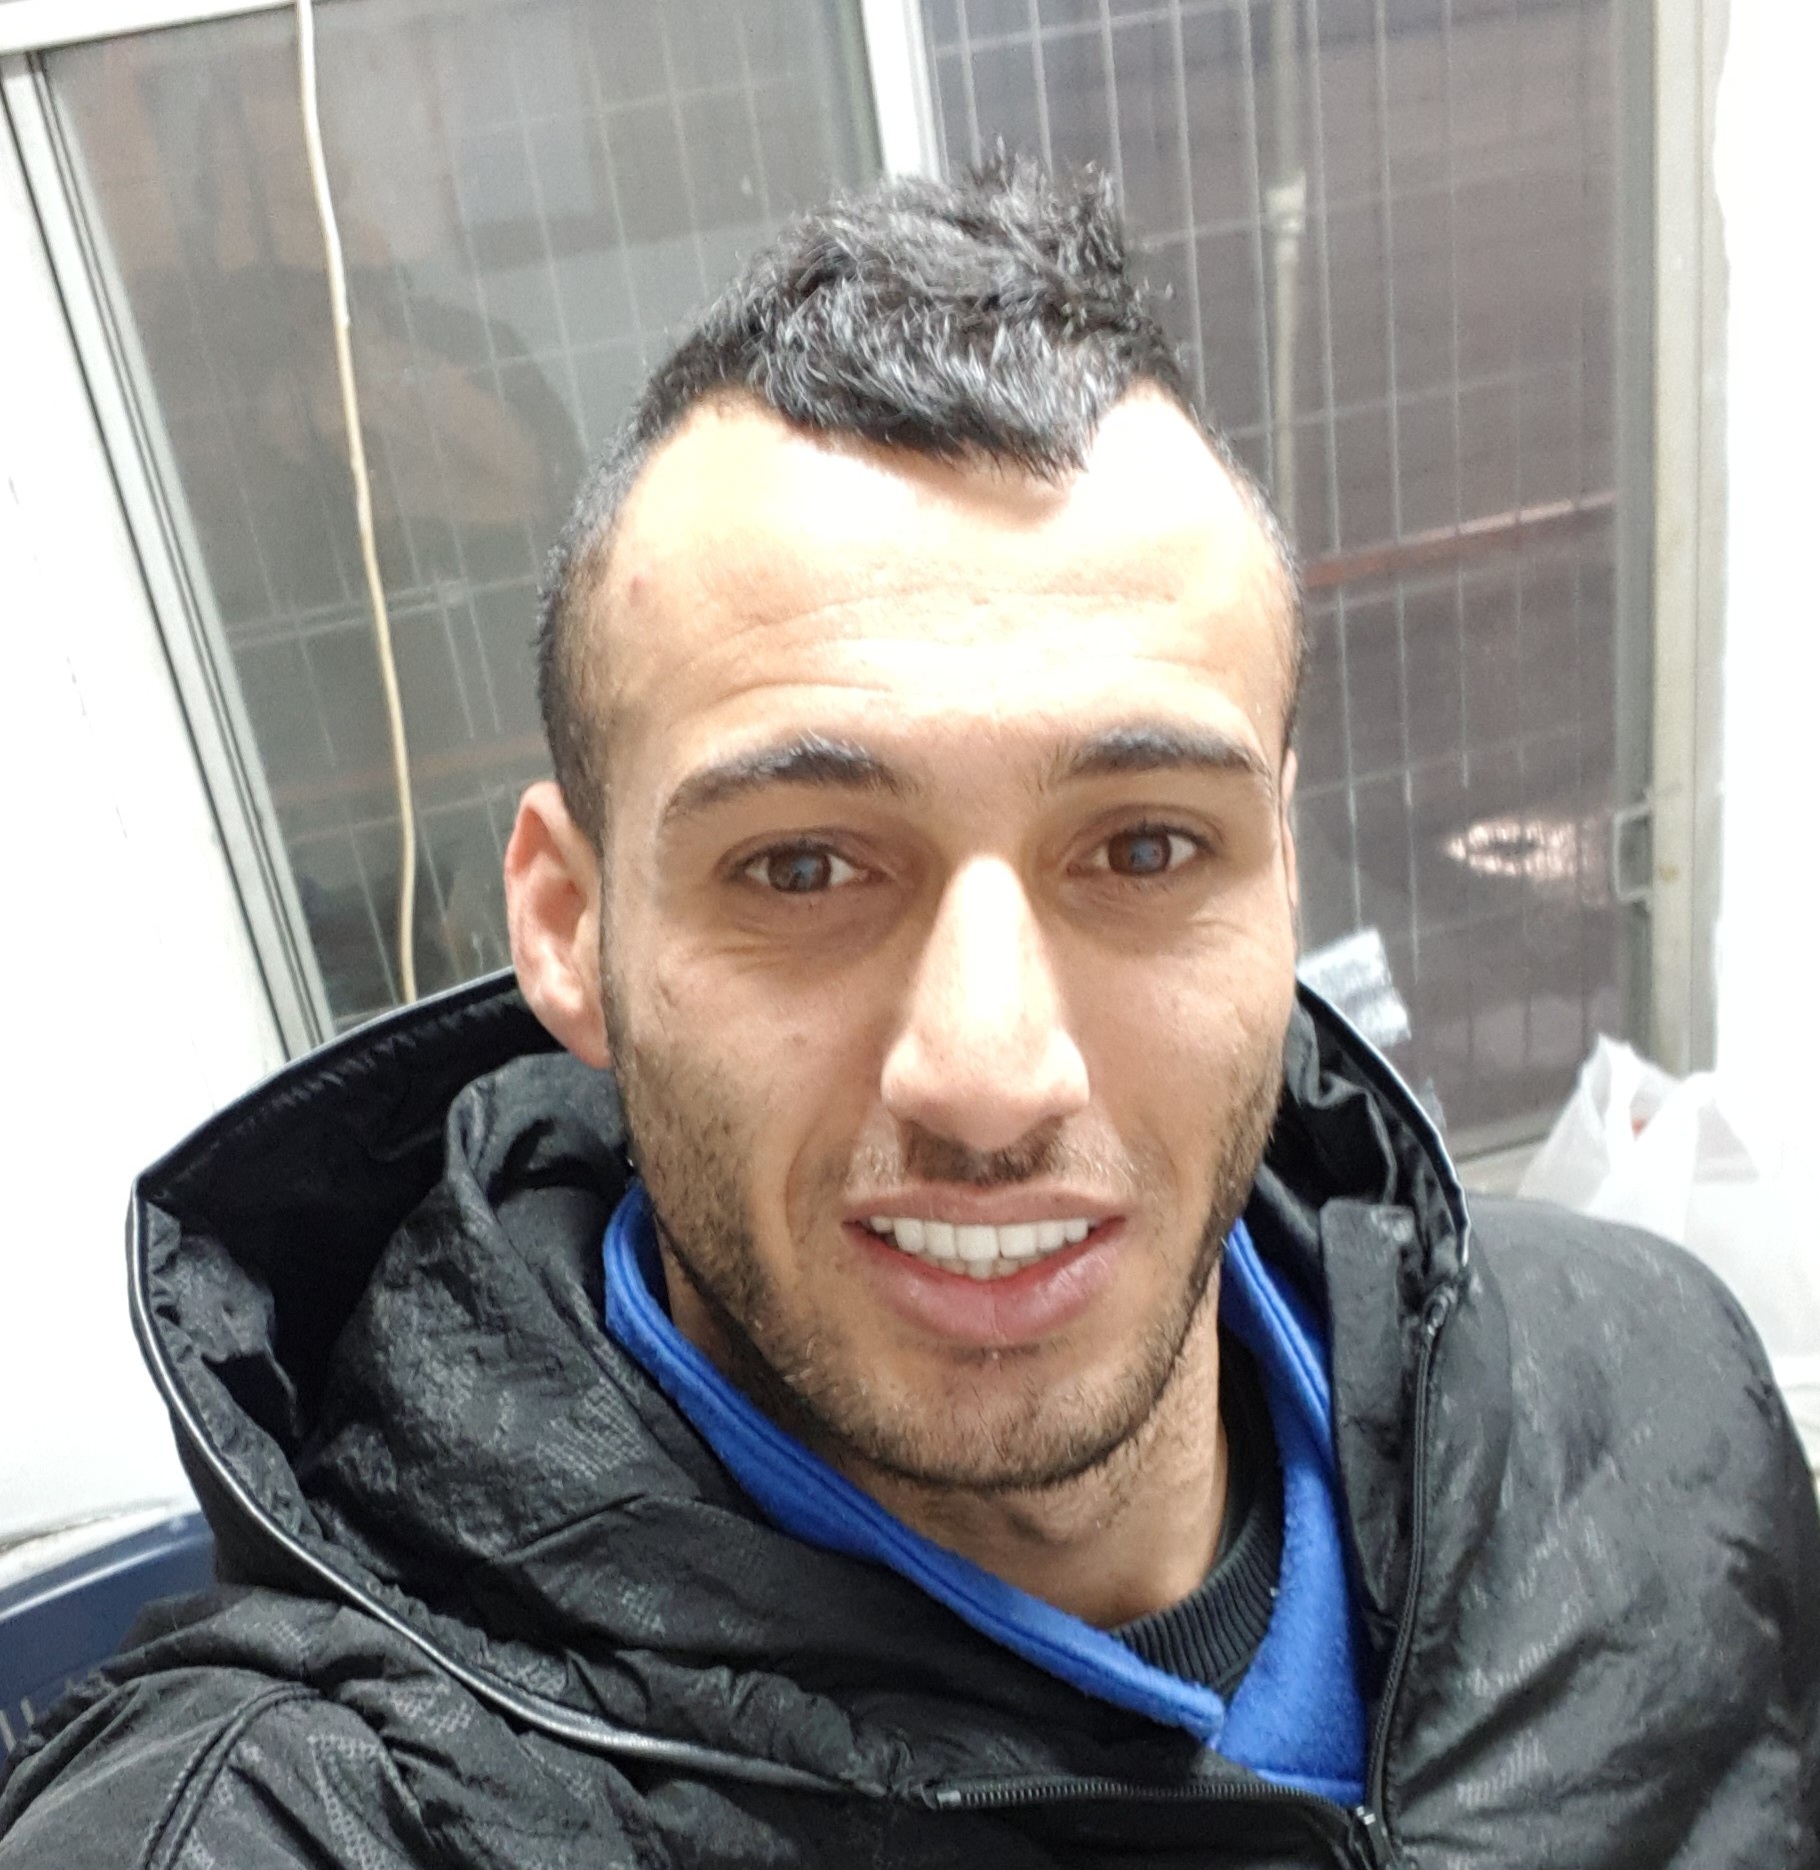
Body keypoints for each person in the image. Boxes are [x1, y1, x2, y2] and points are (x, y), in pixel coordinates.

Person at [1, 162, 1814, 1870]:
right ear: (569, 923)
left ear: (1280, 860)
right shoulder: (296, 1818)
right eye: (803, 867)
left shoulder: (1646, 1386)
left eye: (1146, 844)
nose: (993, 1071)